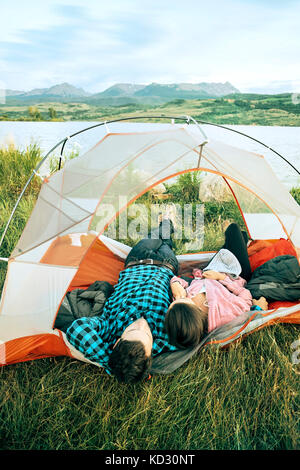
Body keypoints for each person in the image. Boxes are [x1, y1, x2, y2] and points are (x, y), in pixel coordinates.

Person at [66, 208, 179, 384]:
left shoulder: (109, 328)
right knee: (166, 244)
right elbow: (192, 333)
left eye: (133, 329)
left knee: (154, 235)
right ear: (151, 351)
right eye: (147, 335)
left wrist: (110, 361)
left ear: (117, 342)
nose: (142, 324)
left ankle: (165, 223)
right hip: (166, 266)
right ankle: (168, 224)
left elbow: (77, 329)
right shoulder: (165, 337)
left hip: (136, 260)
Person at [165, 223, 268, 350]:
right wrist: (221, 277)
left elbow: (182, 284)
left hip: (210, 271)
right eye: (181, 300)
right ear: (194, 311)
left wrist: (175, 283)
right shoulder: (227, 314)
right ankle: (240, 239)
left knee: (231, 246)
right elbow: (245, 295)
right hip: (234, 274)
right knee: (233, 230)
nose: (178, 298)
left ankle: (241, 241)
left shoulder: (183, 309)